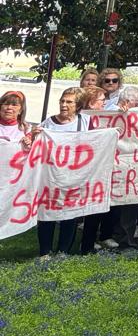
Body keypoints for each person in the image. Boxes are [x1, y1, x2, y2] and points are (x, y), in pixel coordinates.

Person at [35, 89, 83, 255]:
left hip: (73, 176)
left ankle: (63, 251)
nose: (64, 105)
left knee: (69, 214)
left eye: (69, 102)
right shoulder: (48, 123)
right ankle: (45, 251)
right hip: (50, 176)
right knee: (47, 213)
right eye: (62, 101)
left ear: (77, 105)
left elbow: (101, 136)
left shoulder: (84, 121)